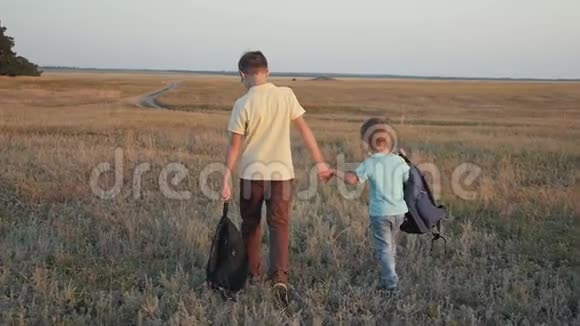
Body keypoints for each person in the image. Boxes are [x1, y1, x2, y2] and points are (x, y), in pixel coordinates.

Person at [221, 51, 332, 304]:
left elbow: (235, 146)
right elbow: (305, 131)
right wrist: (321, 163)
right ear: (267, 71)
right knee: (279, 224)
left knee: (250, 224)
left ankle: (251, 272)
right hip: (282, 175)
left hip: (252, 175)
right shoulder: (286, 95)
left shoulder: (243, 103)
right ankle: (279, 277)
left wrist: (226, 176)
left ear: (242, 74)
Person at [331, 118, 410, 293]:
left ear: (367, 144)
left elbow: (352, 180)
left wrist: (335, 171)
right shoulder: (399, 161)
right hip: (399, 212)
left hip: (380, 213)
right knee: (391, 245)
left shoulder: (370, 163)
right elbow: (409, 180)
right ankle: (387, 276)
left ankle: (390, 284)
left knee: (384, 248)